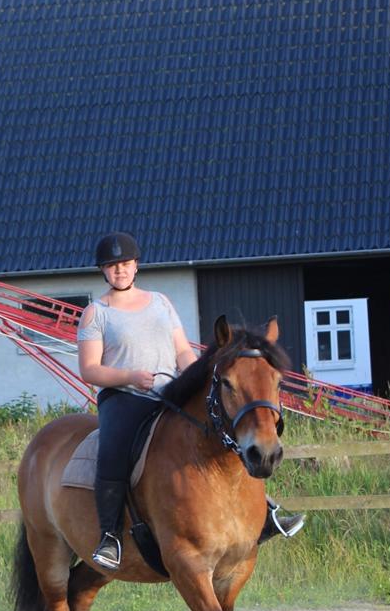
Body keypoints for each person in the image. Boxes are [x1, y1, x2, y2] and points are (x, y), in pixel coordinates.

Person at [76, 232, 304, 572]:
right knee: (114, 450)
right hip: (124, 398)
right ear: (103, 272)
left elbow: (183, 351)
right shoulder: (96, 313)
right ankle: (110, 537)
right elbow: (89, 369)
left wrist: (196, 377)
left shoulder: (161, 303)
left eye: (124, 264)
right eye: (112, 266)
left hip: (170, 393)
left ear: (135, 266)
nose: (119, 271)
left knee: (227, 435)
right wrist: (130, 377)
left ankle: (266, 514)